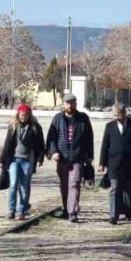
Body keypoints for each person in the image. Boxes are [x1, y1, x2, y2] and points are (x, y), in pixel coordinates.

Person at [45, 94, 94, 223]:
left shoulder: (83, 118)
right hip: (62, 158)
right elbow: (51, 138)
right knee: (64, 185)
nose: (70, 105)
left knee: (74, 183)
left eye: (72, 103)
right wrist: (53, 152)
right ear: (64, 104)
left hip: (78, 157)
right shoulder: (57, 118)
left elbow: (89, 138)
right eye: (67, 103)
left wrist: (90, 156)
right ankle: (66, 209)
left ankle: (73, 212)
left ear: (75, 104)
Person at [99, 103, 131, 224]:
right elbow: (104, 146)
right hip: (114, 164)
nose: (116, 117)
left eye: (119, 115)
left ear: (124, 114)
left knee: (129, 190)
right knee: (115, 189)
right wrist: (102, 163)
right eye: (114, 115)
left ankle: (128, 212)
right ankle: (113, 216)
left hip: (130, 164)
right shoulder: (109, 126)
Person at [0, 104, 44, 221]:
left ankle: (22, 211)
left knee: (24, 186)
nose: (23, 117)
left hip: (27, 160)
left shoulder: (35, 127)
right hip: (14, 159)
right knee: (13, 184)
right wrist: (2, 158)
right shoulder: (13, 126)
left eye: (26, 115)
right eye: (22, 115)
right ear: (18, 115)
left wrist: (40, 158)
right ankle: (11, 210)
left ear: (30, 116)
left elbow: (40, 144)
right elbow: (7, 143)